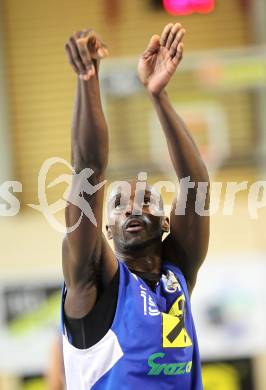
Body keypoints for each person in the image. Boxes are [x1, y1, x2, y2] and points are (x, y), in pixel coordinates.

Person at [61, 23, 210, 389]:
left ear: (164, 222)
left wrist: (158, 95)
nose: (132, 207)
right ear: (106, 228)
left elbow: (197, 186)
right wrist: (87, 79)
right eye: (118, 204)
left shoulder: (176, 275)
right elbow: (88, 170)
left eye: (146, 199)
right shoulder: (91, 278)